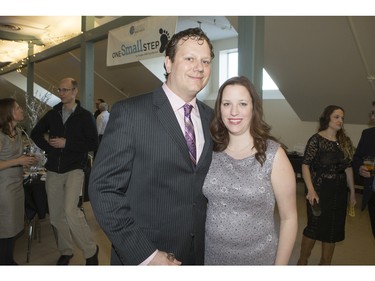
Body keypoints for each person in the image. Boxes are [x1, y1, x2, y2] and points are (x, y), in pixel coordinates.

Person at [88, 27, 214, 265]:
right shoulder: (130, 113)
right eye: (190, 58)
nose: (199, 67)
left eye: (205, 61)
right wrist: (147, 256)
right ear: (168, 63)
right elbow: (104, 190)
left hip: (197, 254)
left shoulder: (211, 118)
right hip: (147, 254)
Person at [203, 76, 297, 265]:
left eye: (243, 104)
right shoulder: (209, 151)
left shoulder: (273, 155)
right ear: (219, 109)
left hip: (258, 258)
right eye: (227, 103)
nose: (234, 111)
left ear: (254, 108)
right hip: (213, 257)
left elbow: (289, 218)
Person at [30, 78, 99, 265]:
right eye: (59, 89)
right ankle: (66, 250)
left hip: (74, 169)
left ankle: (91, 251)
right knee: (56, 214)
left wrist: (67, 144)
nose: (61, 93)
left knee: (70, 211)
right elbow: (35, 133)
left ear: (75, 91)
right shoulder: (53, 113)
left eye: (65, 90)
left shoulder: (85, 116)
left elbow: (94, 143)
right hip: (53, 170)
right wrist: (50, 149)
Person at [297, 105, 356, 265]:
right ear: (327, 117)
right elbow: (305, 165)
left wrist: (352, 192)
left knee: (333, 230)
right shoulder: (316, 140)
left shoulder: (345, 142)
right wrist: (310, 189)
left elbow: (348, 167)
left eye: (342, 118)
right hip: (319, 191)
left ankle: (325, 266)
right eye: (337, 117)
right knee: (314, 227)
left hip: (339, 193)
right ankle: (302, 261)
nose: (340, 121)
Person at [0, 98, 37, 265]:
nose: (22, 110)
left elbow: (16, 157)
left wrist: (28, 160)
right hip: (4, 187)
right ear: (8, 113)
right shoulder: (1, 136)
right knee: (5, 227)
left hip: (16, 184)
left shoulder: (19, 132)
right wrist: (18, 161)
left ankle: (8, 259)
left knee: (13, 226)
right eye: (18, 108)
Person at [352, 101, 375, 238]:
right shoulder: (368, 134)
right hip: (372, 196)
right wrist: (360, 168)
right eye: (372, 113)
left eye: (374, 113)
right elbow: (357, 157)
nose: (372, 118)